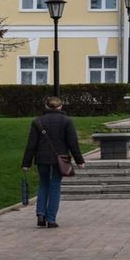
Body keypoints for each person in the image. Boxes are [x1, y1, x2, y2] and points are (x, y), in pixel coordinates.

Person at [21, 96, 85, 228]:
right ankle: (51, 219)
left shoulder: (38, 121)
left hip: (42, 158)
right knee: (55, 186)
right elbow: (72, 143)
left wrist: (26, 163)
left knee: (43, 184)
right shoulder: (67, 121)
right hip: (60, 159)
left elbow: (31, 144)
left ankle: (40, 214)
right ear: (61, 106)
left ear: (46, 106)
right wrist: (79, 160)